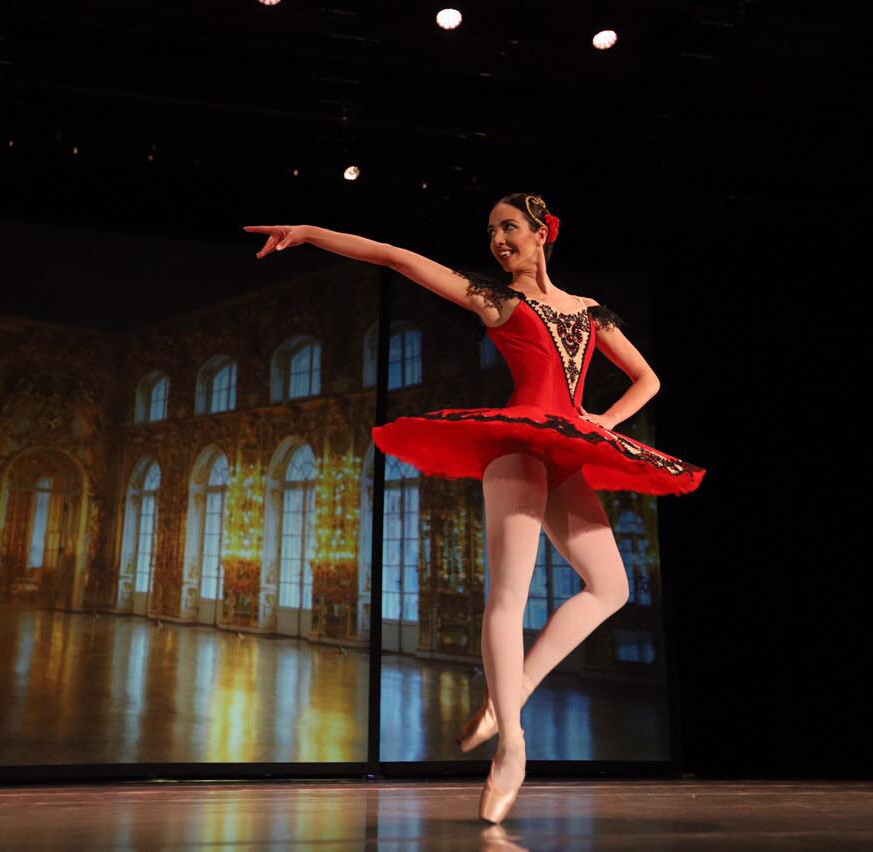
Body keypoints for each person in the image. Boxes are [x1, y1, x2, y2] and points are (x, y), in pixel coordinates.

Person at [245, 192, 706, 824]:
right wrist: (310, 231)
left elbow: (648, 379)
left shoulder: (590, 312)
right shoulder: (497, 300)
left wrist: (604, 421)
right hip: (516, 445)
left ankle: (512, 692)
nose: (497, 240)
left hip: (566, 446)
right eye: (490, 231)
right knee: (508, 596)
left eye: (509, 227)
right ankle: (512, 746)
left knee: (612, 587)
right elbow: (397, 257)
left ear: (542, 233)